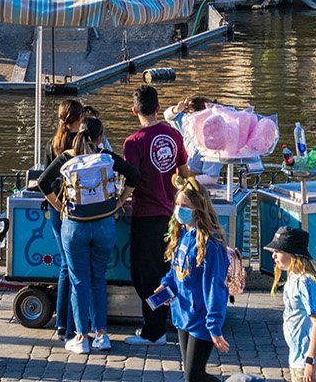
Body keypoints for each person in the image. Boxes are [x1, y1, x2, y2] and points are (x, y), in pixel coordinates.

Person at [36, 115, 138, 354]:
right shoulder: (106, 157)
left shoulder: (67, 157)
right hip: (104, 225)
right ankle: (102, 335)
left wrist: (60, 206)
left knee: (79, 281)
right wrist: (119, 202)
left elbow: (43, 182)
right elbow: (134, 175)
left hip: (75, 226)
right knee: (98, 279)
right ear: (100, 136)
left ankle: (81, 337)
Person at [124, 84, 188, 347]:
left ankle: (154, 330)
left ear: (134, 110)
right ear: (158, 107)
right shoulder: (174, 135)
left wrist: (120, 199)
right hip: (171, 215)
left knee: (144, 276)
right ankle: (170, 320)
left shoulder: (134, 142)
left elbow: (131, 179)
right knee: (167, 271)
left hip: (146, 215)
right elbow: (184, 173)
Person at [155, 177, 232, 382]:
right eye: (178, 204)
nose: (179, 210)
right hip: (182, 314)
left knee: (193, 376)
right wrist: (166, 284)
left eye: (185, 206)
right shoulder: (182, 234)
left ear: (198, 209)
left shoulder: (211, 244)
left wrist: (214, 325)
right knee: (191, 375)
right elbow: (175, 270)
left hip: (201, 319)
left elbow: (215, 288)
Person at [268, 223, 316, 382]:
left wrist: (311, 361)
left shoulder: (306, 281)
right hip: (299, 357)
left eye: (278, 251)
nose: (273, 256)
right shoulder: (294, 277)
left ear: (293, 254)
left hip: (313, 361)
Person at [45, 98, 88, 344]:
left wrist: (57, 206)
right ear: (78, 118)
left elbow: (46, 179)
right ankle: (71, 325)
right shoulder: (79, 143)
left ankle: (62, 324)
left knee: (65, 266)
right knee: (76, 269)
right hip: (74, 210)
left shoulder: (53, 142)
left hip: (56, 210)